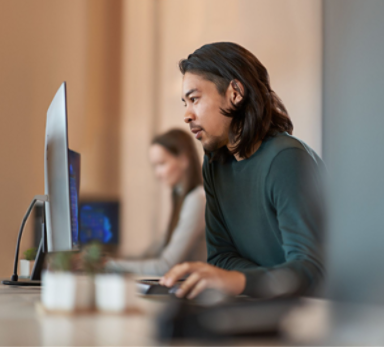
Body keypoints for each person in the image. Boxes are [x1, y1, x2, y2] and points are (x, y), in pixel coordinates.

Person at [159, 42, 325, 299]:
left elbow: (311, 270)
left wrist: (240, 281)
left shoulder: (286, 159)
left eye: (194, 99)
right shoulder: (214, 165)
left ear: (235, 93)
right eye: (185, 103)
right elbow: (220, 257)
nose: (187, 115)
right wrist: (253, 282)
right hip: (261, 305)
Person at [105, 129, 207, 276]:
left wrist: (110, 265)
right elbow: (153, 252)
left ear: (184, 160)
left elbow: (165, 266)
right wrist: (111, 261)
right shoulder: (180, 197)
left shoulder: (197, 200)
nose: (157, 174)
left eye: (161, 164)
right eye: (154, 166)